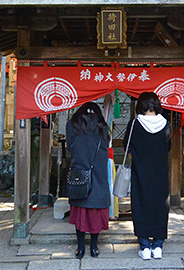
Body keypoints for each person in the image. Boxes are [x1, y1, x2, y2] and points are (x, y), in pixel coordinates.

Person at [123, 92, 171, 260]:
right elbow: (169, 147)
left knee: (140, 206)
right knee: (160, 207)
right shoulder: (166, 124)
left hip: (140, 173)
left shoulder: (135, 124)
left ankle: (144, 247)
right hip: (161, 173)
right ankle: (157, 246)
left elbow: (126, 145)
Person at [66, 102, 111, 259]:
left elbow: (69, 147)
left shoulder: (72, 124)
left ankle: (80, 247)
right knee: (95, 211)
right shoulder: (102, 126)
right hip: (98, 172)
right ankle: (93, 247)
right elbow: (105, 143)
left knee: (80, 210)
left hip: (80, 170)